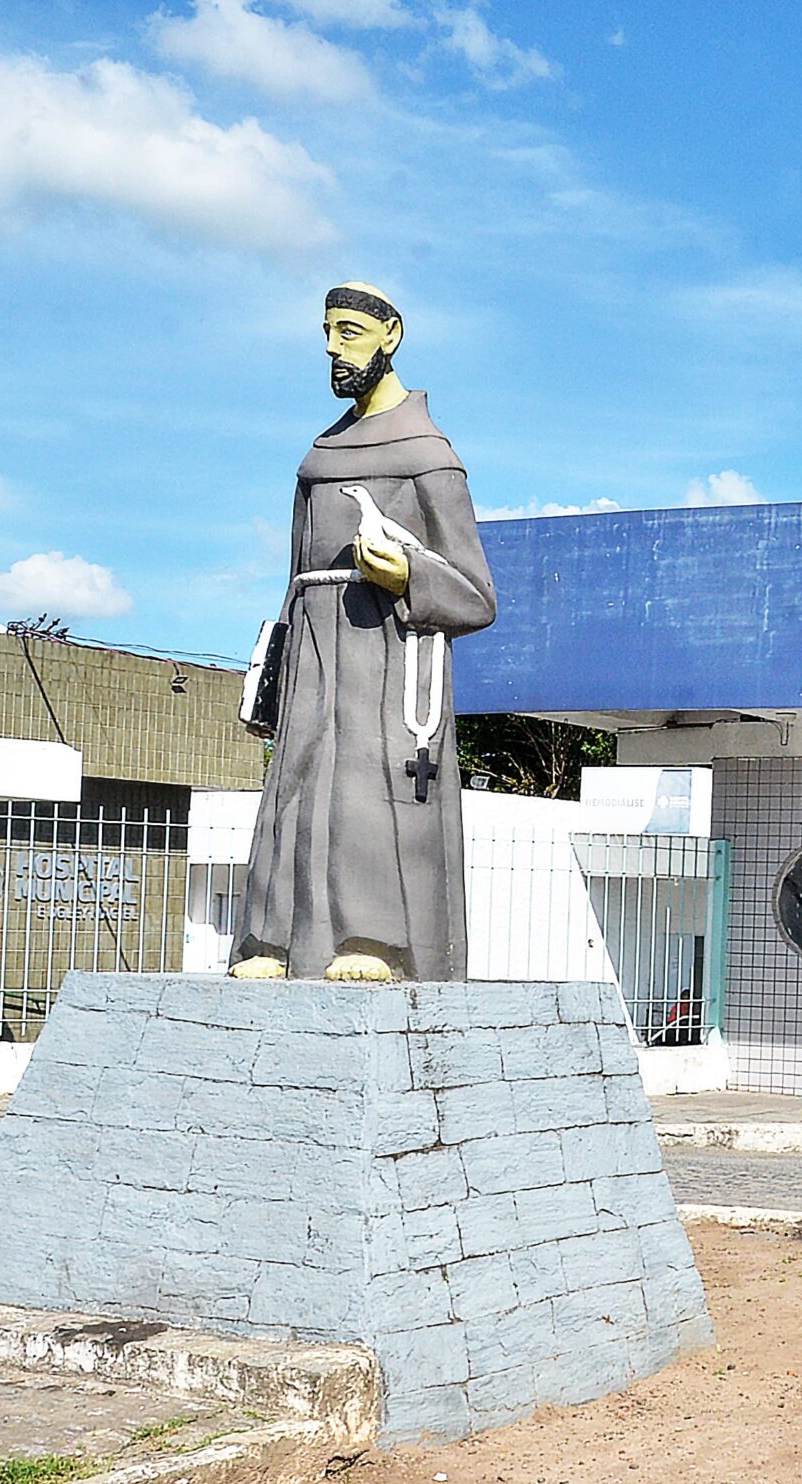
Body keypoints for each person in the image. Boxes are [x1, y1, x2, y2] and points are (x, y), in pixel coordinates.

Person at [230, 283, 497, 983]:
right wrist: (280, 664)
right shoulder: (319, 457)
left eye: (348, 332)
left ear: (391, 335)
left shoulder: (428, 455)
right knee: (295, 785)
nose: (332, 347)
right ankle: (274, 939)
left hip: (388, 657)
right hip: (314, 651)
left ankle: (375, 938)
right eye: (328, 332)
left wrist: (407, 573)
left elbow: (476, 596)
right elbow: (295, 575)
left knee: (367, 790)